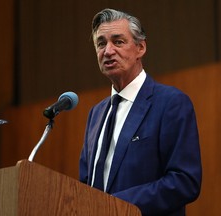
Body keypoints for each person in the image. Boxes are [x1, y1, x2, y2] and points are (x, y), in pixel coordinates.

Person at [79, 8, 202, 216]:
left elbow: (184, 181)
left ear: (141, 47)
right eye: (101, 43)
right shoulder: (96, 114)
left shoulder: (171, 103)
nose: (108, 51)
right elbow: (84, 184)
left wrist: (112, 205)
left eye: (118, 42)